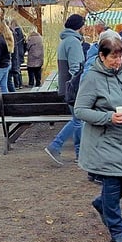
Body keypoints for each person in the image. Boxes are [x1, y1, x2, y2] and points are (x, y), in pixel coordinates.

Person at [75, 36, 122, 242]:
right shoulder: (92, 78)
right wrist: (107, 118)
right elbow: (80, 110)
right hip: (104, 142)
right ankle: (117, 231)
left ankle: (101, 203)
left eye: (120, 56)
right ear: (102, 56)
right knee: (112, 188)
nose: (118, 61)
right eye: (113, 56)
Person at [43, 13, 85, 164]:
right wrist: (83, 86)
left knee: (78, 119)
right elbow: (76, 69)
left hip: (65, 87)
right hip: (74, 88)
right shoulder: (73, 42)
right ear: (80, 26)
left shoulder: (64, 41)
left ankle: (79, 154)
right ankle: (56, 145)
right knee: (78, 120)